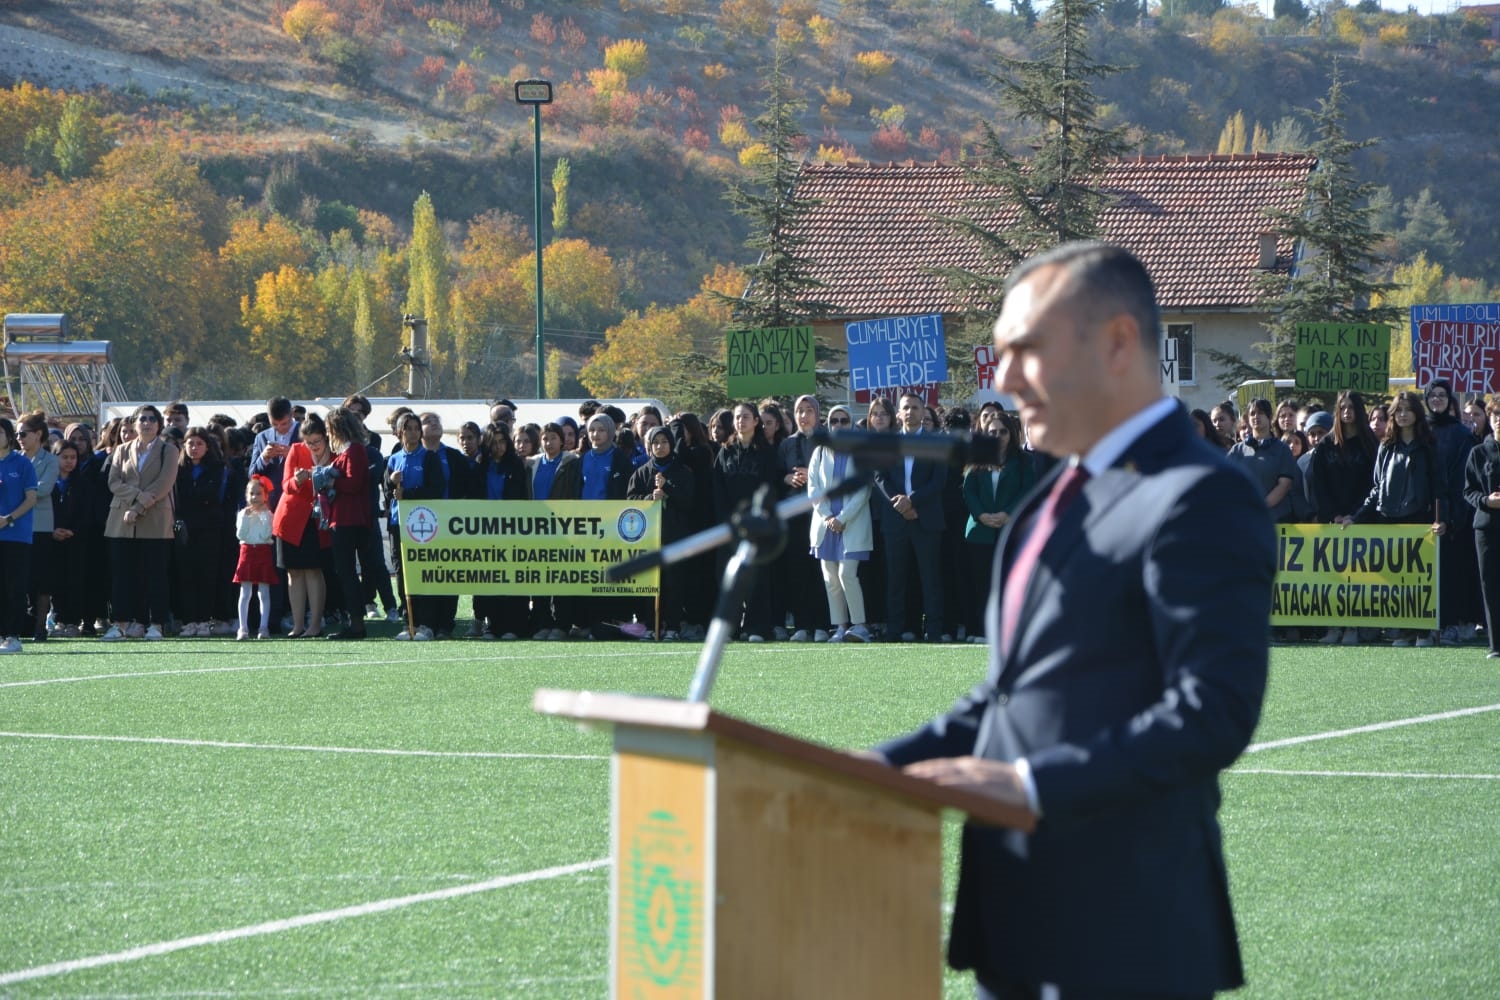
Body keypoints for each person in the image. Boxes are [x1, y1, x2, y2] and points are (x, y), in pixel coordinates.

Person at [874, 242, 1276, 1000]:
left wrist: (1028, 786)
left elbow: (1211, 714)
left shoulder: (1200, 496)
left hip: (1126, 931)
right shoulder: (1055, 497)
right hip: (1017, 928)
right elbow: (1009, 695)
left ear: (1118, 343)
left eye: (1027, 348)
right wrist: (871, 771)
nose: (1004, 379)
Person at [1340, 391, 1446, 647]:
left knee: (1417, 579)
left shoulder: (1428, 446)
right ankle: (1405, 632)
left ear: (1417, 413)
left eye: (1408, 410)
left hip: (1419, 521)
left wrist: (1442, 519)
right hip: (1388, 520)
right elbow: (1376, 488)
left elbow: (1439, 488)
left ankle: (1422, 632)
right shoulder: (1386, 446)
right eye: (1399, 410)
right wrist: (1357, 517)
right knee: (1395, 581)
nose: (1403, 414)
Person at [872, 392, 947, 642]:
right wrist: (901, 504)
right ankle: (895, 630)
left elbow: (938, 480)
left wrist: (912, 501)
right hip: (895, 519)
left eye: (915, 407)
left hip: (925, 519)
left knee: (930, 578)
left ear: (923, 412)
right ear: (899, 413)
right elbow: (880, 477)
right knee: (896, 578)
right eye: (906, 407)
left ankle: (934, 630)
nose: (910, 412)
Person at [102, 405, 180, 642]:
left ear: (159, 424)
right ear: (134, 424)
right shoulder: (122, 450)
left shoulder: (169, 450)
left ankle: (156, 624)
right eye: (142, 419)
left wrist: (138, 507)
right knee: (122, 575)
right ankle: (120, 624)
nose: (147, 423)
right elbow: (114, 482)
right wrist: (137, 496)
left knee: (155, 575)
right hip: (122, 521)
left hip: (155, 520)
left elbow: (164, 483)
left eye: (152, 419)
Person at [961, 409, 1036, 645]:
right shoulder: (976, 458)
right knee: (981, 583)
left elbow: (1027, 490)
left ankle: (1008, 632)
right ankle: (981, 630)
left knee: (1009, 583)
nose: (998, 436)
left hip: (1010, 530)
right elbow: (969, 490)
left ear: (1011, 434)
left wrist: (1007, 514)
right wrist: (981, 515)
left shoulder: (1023, 461)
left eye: (1003, 431)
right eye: (992, 431)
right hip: (980, 531)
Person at [807, 404, 873, 643]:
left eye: (844, 420)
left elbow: (864, 489)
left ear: (851, 423)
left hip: (852, 523)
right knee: (830, 579)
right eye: (834, 421)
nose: (839, 425)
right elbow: (813, 488)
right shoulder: (819, 452)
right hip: (825, 525)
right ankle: (840, 627)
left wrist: (842, 518)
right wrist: (827, 517)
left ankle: (860, 625)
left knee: (847, 574)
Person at [274, 412, 333, 638]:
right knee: (294, 572)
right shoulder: (296, 450)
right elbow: (285, 485)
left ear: (325, 437)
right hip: (292, 519)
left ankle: (315, 624)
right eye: (309, 442)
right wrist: (297, 481)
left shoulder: (334, 453)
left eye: (316, 441)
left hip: (319, 520)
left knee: (314, 571)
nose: (313, 446)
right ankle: (298, 625)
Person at [172, 426, 235, 638]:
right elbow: (179, 496)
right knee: (186, 574)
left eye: (199, 443)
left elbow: (211, 494)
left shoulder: (217, 468)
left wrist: (196, 495)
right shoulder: (178, 469)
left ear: (207, 447)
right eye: (190, 443)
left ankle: (203, 620)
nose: (194, 448)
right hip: (185, 528)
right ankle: (189, 620)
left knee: (207, 574)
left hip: (210, 528)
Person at [322, 407, 373, 641]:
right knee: (345, 572)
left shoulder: (354, 450)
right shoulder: (347, 451)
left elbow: (353, 484)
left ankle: (357, 623)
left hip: (349, 519)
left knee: (347, 572)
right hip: (343, 518)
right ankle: (354, 620)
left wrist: (331, 482)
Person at [1463, 395, 1500, 660]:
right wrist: (1487, 501)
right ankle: (1495, 644)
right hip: (1486, 527)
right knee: (1490, 585)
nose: (1499, 420)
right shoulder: (1478, 452)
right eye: (1496, 414)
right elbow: (1468, 491)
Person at [0, 417, 39, 653]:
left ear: (8, 436)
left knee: (14, 586)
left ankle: (12, 635)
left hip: (16, 535)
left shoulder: (22, 463)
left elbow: (31, 498)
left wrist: (8, 519)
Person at [18, 413, 58, 642]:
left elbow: (44, 489)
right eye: (17, 434)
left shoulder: (50, 460)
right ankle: (15, 624)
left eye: (23, 434)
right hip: (15, 526)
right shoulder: (14, 459)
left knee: (42, 578)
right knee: (16, 577)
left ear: (38, 434)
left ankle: (40, 626)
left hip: (41, 526)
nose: (19, 438)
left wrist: (19, 490)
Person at [1227, 398, 1298, 524]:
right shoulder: (1236, 450)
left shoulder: (1282, 449)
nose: (1256, 416)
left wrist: (1260, 507)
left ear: (1269, 417)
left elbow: (1284, 485)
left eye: (1260, 412)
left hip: (1277, 520)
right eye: (1252, 413)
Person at [234, 475, 277, 640]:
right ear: (247, 495)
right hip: (246, 552)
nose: (255, 497)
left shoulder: (269, 515)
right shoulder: (242, 514)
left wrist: (264, 516)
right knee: (245, 592)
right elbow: (241, 535)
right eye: (252, 494)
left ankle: (263, 627)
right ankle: (242, 628)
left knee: (263, 593)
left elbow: (266, 535)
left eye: (259, 494)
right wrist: (246, 517)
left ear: (265, 496)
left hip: (263, 551)